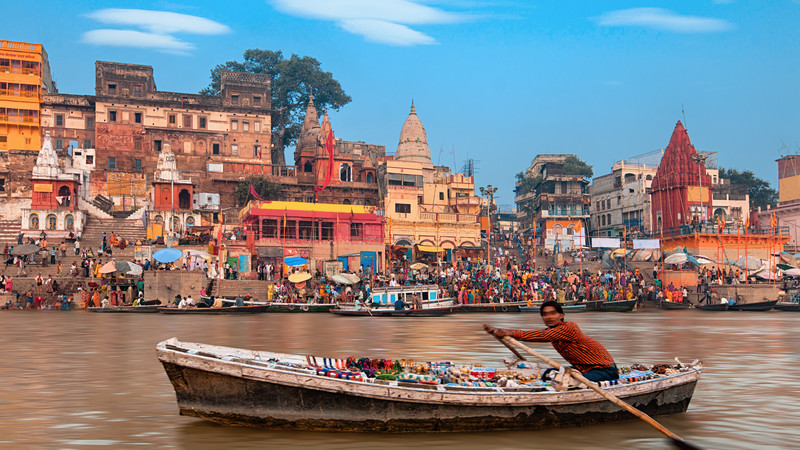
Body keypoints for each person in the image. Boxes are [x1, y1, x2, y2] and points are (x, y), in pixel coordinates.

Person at [486, 300, 618, 383]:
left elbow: (541, 335)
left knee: (570, 382)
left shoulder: (569, 328)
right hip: (583, 369)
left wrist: (509, 333)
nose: (549, 317)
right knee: (548, 374)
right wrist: (501, 331)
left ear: (561, 315)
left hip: (604, 370)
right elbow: (539, 334)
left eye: (553, 313)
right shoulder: (552, 332)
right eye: (545, 314)